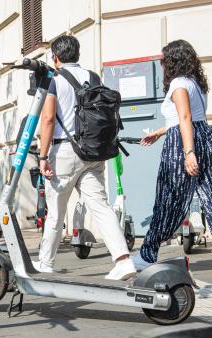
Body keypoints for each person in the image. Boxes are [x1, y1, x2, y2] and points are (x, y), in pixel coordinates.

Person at [134, 40, 212, 276]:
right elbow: (188, 119)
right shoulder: (196, 83)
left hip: (182, 144)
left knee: (169, 201)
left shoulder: (178, 84)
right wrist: (158, 133)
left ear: (173, 61)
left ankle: (147, 255)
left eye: (164, 59)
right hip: (205, 138)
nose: (162, 63)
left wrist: (188, 153)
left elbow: (185, 119)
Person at [34, 35, 137, 280]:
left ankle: (45, 262)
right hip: (94, 152)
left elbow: (48, 119)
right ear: (77, 54)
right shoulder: (93, 78)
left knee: (56, 213)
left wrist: (42, 155)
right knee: (101, 207)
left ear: (55, 57)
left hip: (64, 153)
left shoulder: (54, 81)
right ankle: (123, 260)